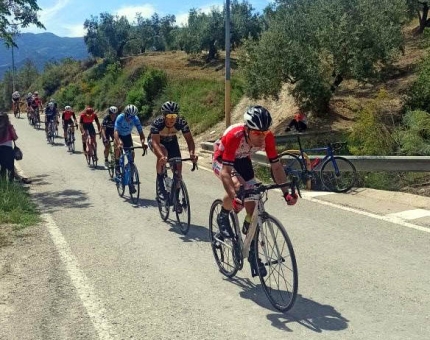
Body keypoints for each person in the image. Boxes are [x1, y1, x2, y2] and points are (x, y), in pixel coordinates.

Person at [212, 105, 298, 277]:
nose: (261, 137)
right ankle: (223, 214)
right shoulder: (234, 136)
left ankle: (252, 253)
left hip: (243, 160)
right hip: (223, 160)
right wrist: (235, 196)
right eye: (257, 133)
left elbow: (276, 167)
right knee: (238, 187)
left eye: (264, 133)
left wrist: (286, 192)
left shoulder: (268, 137)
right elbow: (225, 173)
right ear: (247, 130)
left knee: (253, 200)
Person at [147, 101, 197, 200]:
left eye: (174, 115)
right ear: (164, 115)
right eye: (169, 116)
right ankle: (160, 185)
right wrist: (161, 157)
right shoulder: (157, 123)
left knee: (178, 168)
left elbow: (190, 141)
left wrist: (192, 154)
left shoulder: (181, 122)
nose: (172, 119)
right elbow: (155, 143)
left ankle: (176, 198)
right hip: (157, 142)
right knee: (163, 153)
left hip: (172, 141)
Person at [114, 105, 147, 192]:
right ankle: (117, 166)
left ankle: (130, 181)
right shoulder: (120, 117)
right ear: (125, 114)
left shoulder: (135, 119)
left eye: (132, 116)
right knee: (118, 148)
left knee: (131, 157)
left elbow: (141, 132)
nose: (130, 118)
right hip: (119, 136)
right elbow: (116, 132)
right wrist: (119, 142)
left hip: (128, 136)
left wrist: (143, 142)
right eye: (128, 116)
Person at [0, 112, 18, 182]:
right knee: (10, 167)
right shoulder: (9, 126)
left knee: (3, 167)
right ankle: (10, 184)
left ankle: (3, 183)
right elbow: (15, 137)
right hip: (8, 148)